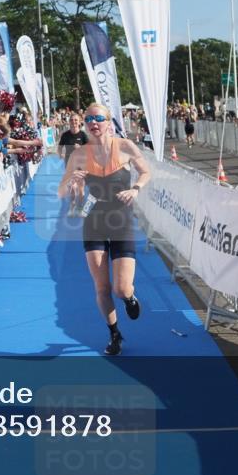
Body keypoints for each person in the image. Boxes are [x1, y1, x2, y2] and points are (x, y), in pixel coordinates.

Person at [57, 103, 151, 356]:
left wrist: (136, 189)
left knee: (121, 288)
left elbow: (145, 172)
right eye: (89, 119)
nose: (93, 122)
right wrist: (74, 185)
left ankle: (130, 297)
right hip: (94, 223)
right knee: (102, 288)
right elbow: (62, 192)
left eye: (99, 118)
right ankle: (114, 334)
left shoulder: (125, 147)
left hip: (121, 222)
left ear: (109, 122)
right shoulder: (78, 154)